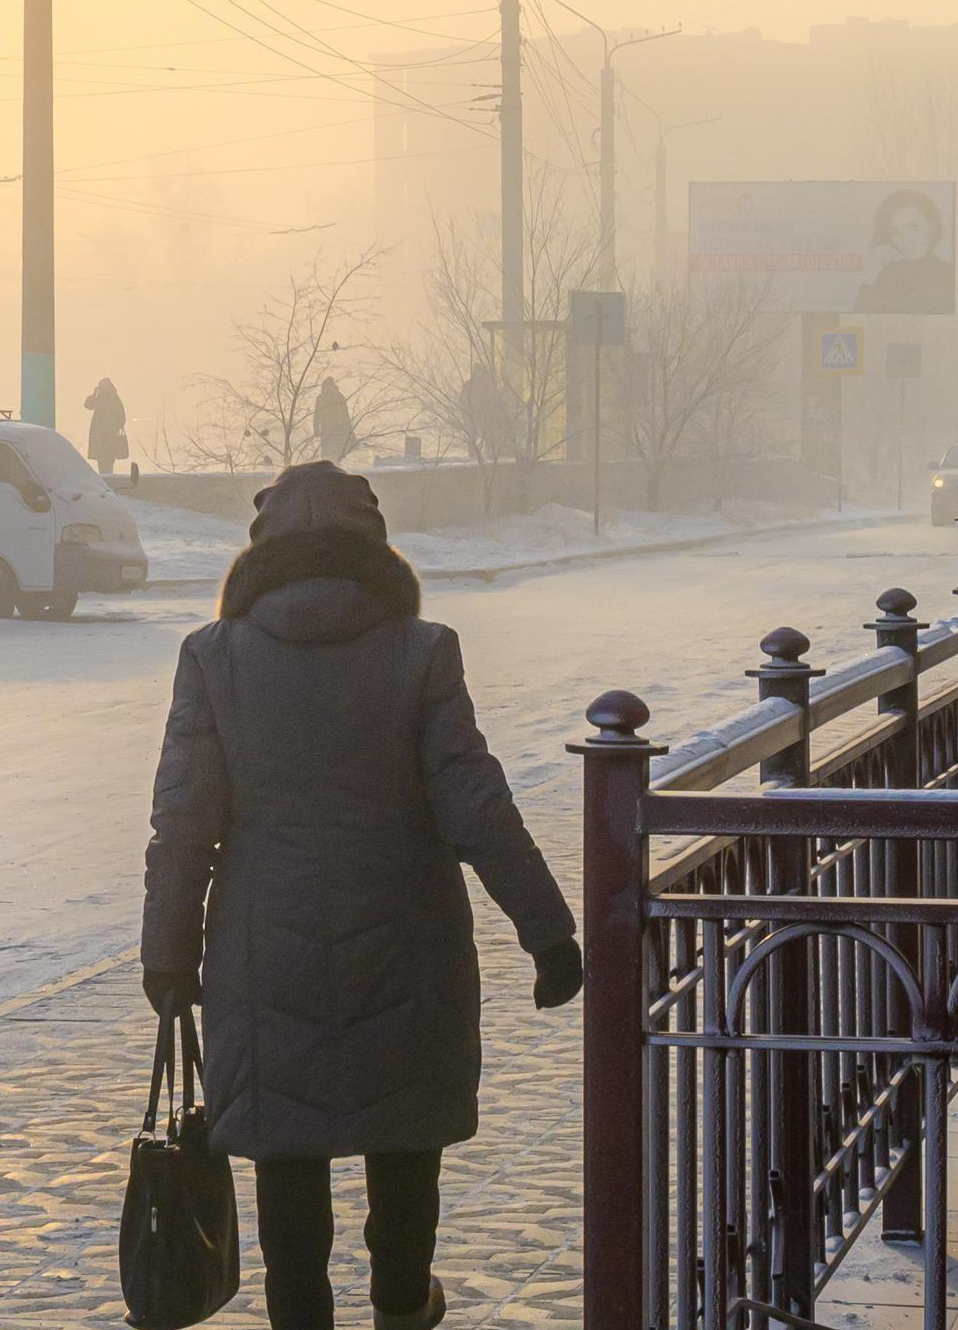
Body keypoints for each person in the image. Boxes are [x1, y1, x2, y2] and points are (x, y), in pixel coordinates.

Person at [142, 461, 580, 1330]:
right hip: (406, 945)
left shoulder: (214, 657)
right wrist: (548, 931)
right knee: (406, 1152)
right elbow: (474, 804)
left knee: (286, 1171)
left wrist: (168, 963)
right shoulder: (422, 652)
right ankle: (402, 1307)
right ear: (373, 548)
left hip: (265, 952)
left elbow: (183, 825)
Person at [850, 188, 954, 314]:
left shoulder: (949, 274)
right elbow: (860, 319)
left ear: (931, 227)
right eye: (896, 231)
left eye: (913, 226)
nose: (904, 238)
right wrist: (871, 274)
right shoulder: (884, 276)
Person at [85, 377, 128, 473]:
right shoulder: (104, 399)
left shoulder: (112, 400)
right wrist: (94, 394)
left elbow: (121, 419)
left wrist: (111, 427)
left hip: (107, 440)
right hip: (105, 440)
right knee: (105, 465)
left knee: (105, 466)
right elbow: (88, 404)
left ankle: (107, 482)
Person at [314, 375, 355, 463]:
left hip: (338, 431)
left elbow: (345, 415)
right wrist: (316, 430)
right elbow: (316, 416)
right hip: (326, 430)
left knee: (337, 453)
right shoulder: (321, 398)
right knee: (326, 454)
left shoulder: (339, 397)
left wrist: (349, 430)